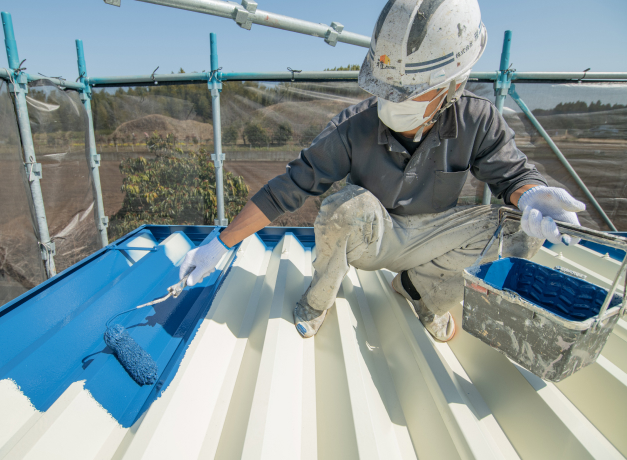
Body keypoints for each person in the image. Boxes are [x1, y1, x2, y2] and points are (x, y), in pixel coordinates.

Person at [179, 0, 586, 342]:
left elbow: (513, 176)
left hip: (434, 237)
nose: (391, 102)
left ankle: (419, 290)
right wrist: (223, 242)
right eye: (385, 90)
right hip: (376, 238)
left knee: (518, 227)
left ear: (453, 86)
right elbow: (290, 186)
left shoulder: (478, 121)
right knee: (342, 206)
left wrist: (531, 195)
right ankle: (318, 300)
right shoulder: (353, 128)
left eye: (407, 93)